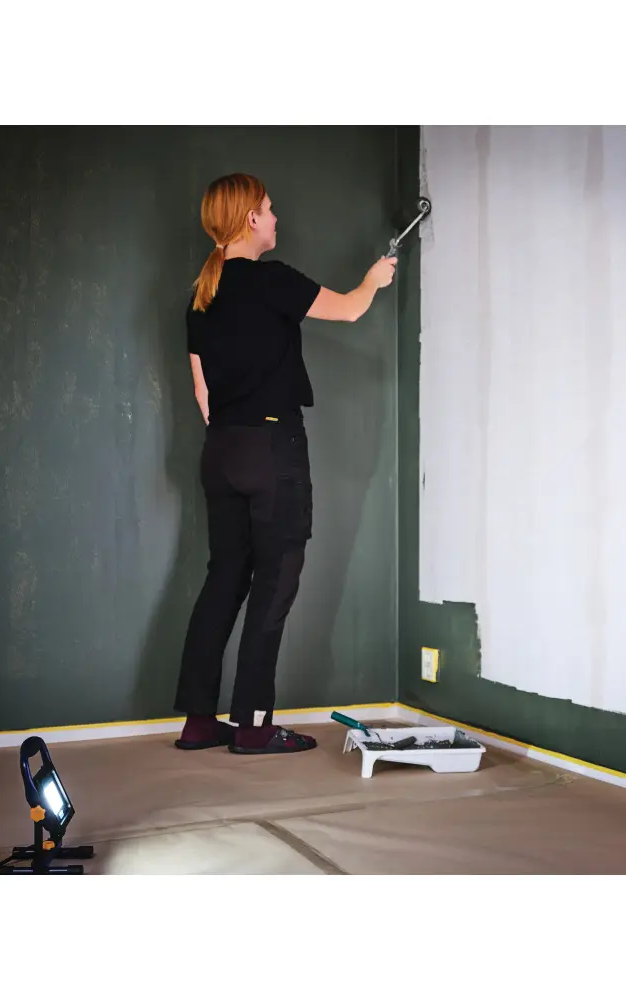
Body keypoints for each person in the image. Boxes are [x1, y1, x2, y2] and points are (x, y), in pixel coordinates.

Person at [172, 172, 397, 755]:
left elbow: (201, 393)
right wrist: (374, 280)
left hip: (222, 450)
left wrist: (235, 433)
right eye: (269, 210)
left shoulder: (201, 297)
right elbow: (350, 310)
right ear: (250, 219)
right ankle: (252, 726)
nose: (275, 219)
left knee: (224, 579)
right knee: (274, 583)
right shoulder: (271, 280)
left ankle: (199, 722)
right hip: (272, 451)